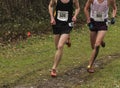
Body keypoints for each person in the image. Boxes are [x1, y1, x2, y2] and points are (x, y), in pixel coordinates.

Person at [48, 0, 80, 77]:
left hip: (67, 24)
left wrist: (75, 16)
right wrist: (52, 17)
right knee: (57, 47)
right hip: (57, 24)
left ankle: (54, 68)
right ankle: (67, 39)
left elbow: (78, 8)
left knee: (60, 46)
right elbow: (50, 6)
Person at [84, 0, 117, 73]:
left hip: (103, 24)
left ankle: (90, 65)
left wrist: (113, 17)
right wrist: (88, 20)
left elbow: (114, 8)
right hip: (93, 22)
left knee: (96, 45)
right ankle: (101, 40)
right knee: (93, 47)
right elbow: (86, 8)